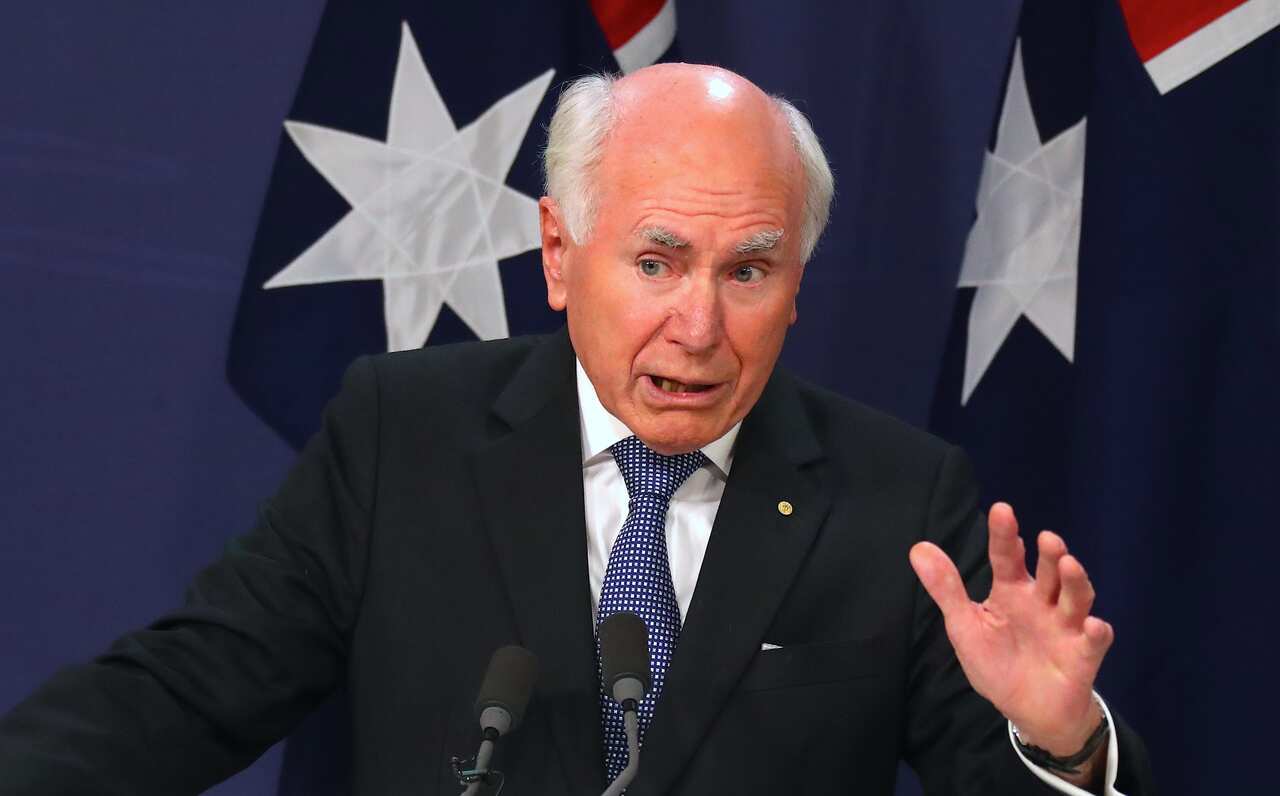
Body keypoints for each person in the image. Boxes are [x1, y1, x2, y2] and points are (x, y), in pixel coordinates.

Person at [0, 64, 1152, 795]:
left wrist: (1062, 747)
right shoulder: (403, 438)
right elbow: (182, 694)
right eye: (654, 261)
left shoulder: (897, 500)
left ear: (796, 283)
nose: (697, 324)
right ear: (558, 254)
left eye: (747, 269)